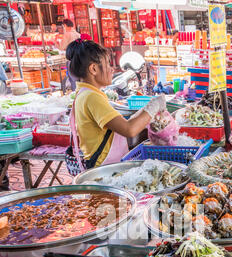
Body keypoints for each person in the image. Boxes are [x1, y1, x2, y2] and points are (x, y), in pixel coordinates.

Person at [66, 39, 166, 168]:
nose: (112, 69)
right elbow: (129, 129)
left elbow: (125, 124)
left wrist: (148, 107)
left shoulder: (84, 93)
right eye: (108, 64)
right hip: (104, 168)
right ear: (94, 68)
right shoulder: (92, 97)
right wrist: (155, 106)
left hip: (104, 165)